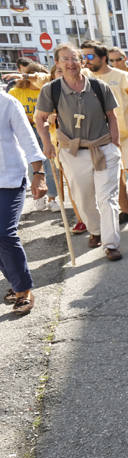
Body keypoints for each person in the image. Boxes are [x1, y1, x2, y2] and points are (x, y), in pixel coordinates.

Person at [34, 43, 123, 261]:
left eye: (75, 59)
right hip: (73, 152)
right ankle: (95, 230)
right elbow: (40, 118)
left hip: (103, 149)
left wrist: (114, 145)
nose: (71, 63)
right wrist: (46, 143)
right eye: (65, 59)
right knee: (83, 199)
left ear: (82, 62)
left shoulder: (99, 87)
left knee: (107, 198)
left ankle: (111, 244)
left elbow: (112, 117)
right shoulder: (51, 90)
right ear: (57, 63)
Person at [82, 40, 128, 224]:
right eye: (84, 57)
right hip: (101, 137)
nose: (86, 60)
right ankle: (125, 209)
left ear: (103, 58)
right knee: (117, 173)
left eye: (90, 56)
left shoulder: (122, 76)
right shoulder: (83, 78)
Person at [1, 88, 47, 315]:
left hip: (9, 179)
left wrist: (39, 174)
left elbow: (29, 140)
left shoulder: (7, 103)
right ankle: (16, 280)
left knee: (4, 233)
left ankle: (23, 290)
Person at [8, 65, 58, 212]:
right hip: (27, 131)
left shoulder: (48, 90)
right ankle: (38, 195)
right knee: (33, 165)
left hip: (48, 129)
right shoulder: (15, 92)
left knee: (51, 164)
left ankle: (52, 197)